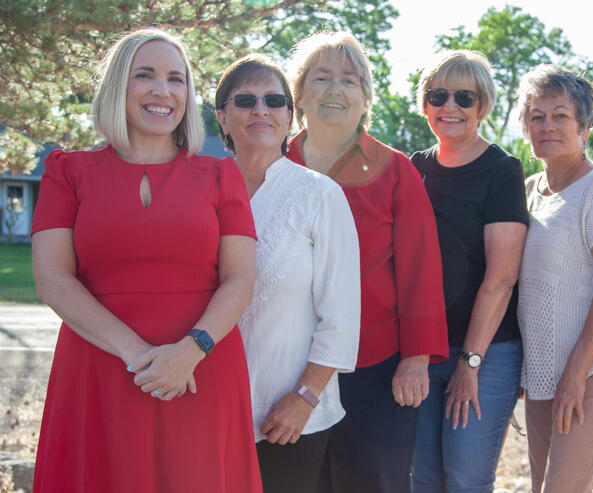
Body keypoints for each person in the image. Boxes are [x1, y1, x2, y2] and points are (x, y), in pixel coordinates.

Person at [30, 29, 262, 492]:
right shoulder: (67, 171)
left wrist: (189, 352)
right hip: (98, 369)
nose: (163, 91)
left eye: (176, 79)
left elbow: (240, 278)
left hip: (200, 370)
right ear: (118, 85)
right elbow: (52, 278)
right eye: (145, 75)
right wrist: (139, 357)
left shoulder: (221, 174)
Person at [285, 31, 448, 492]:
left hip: (373, 364)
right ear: (299, 94)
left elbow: (420, 271)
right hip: (286, 363)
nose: (335, 90)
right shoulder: (272, 163)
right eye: (321, 78)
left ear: (365, 99)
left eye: (349, 80)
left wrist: (415, 359)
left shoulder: (395, 171)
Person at [214, 53, 360, 493]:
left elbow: (341, 314)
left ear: (289, 116)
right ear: (222, 118)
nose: (261, 109)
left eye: (274, 100)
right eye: (245, 100)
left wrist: (305, 397)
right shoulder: (201, 189)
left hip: (290, 416)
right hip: (206, 407)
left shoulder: (320, 195)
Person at [515, 65, 593, 493]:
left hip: (590, 372)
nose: (547, 125)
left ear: (584, 127)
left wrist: (575, 373)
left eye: (560, 115)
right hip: (540, 373)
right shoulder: (528, 191)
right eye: (537, 116)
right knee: (540, 486)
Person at [409, 50, 528, 493]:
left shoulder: (502, 171)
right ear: (425, 104)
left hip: (486, 352)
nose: (450, 106)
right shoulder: (414, 169)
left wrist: (470, 363)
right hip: (422, 352)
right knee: (422, 478)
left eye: (465, 97)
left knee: (465, 480)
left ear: (483, 106)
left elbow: (501, 279)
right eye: (438, 95)